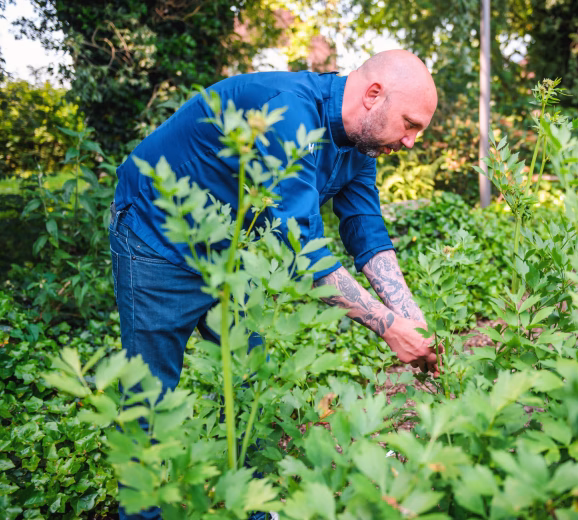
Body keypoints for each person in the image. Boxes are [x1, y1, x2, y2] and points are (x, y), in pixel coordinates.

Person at [109, 49, 440, 519]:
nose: (411, 141)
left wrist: (410, 317)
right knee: (150, 393)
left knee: (250, 384)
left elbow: (365, 229)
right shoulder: (289, 112)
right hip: (157, 237)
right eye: (409, 124)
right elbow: (302, 247)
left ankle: (251, 510)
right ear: (373, 95)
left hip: (233, 251)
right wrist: (388, 327)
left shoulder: (360, 146)